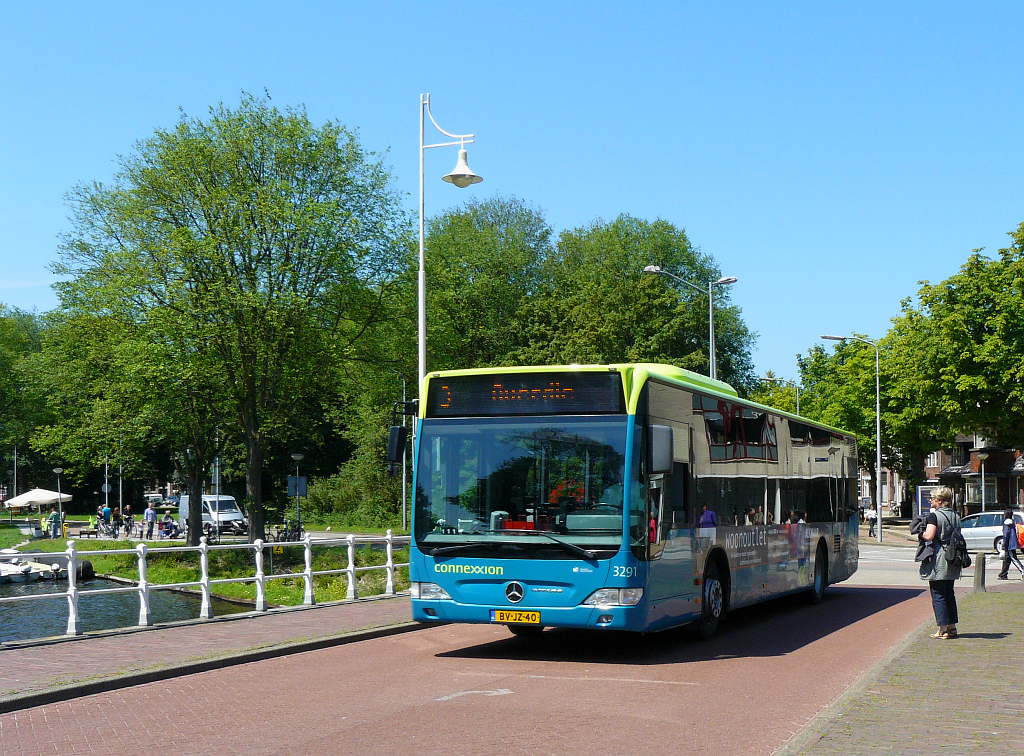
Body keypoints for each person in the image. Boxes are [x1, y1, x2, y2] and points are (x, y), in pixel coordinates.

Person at [920, 487, 961, 639]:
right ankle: (952, 627)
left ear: (940, 501)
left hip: (939, 559)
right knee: (949, 593)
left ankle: (942, 629)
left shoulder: (934, 516)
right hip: (953, 558)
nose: (930, 501)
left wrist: (921, 533)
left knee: (938, 595)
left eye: (932, 499)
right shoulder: (956, 515)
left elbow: (929, 535)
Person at [997, 509, 1024, 580]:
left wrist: (1004, 546)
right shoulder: (1013, 522)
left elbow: (1006, 535)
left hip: (1010, 544)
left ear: (1005, 515)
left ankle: (1023, 571)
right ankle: (1003, 574)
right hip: (1013, 543)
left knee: (1014, 559)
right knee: (1007, 559)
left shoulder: (1006, 524)